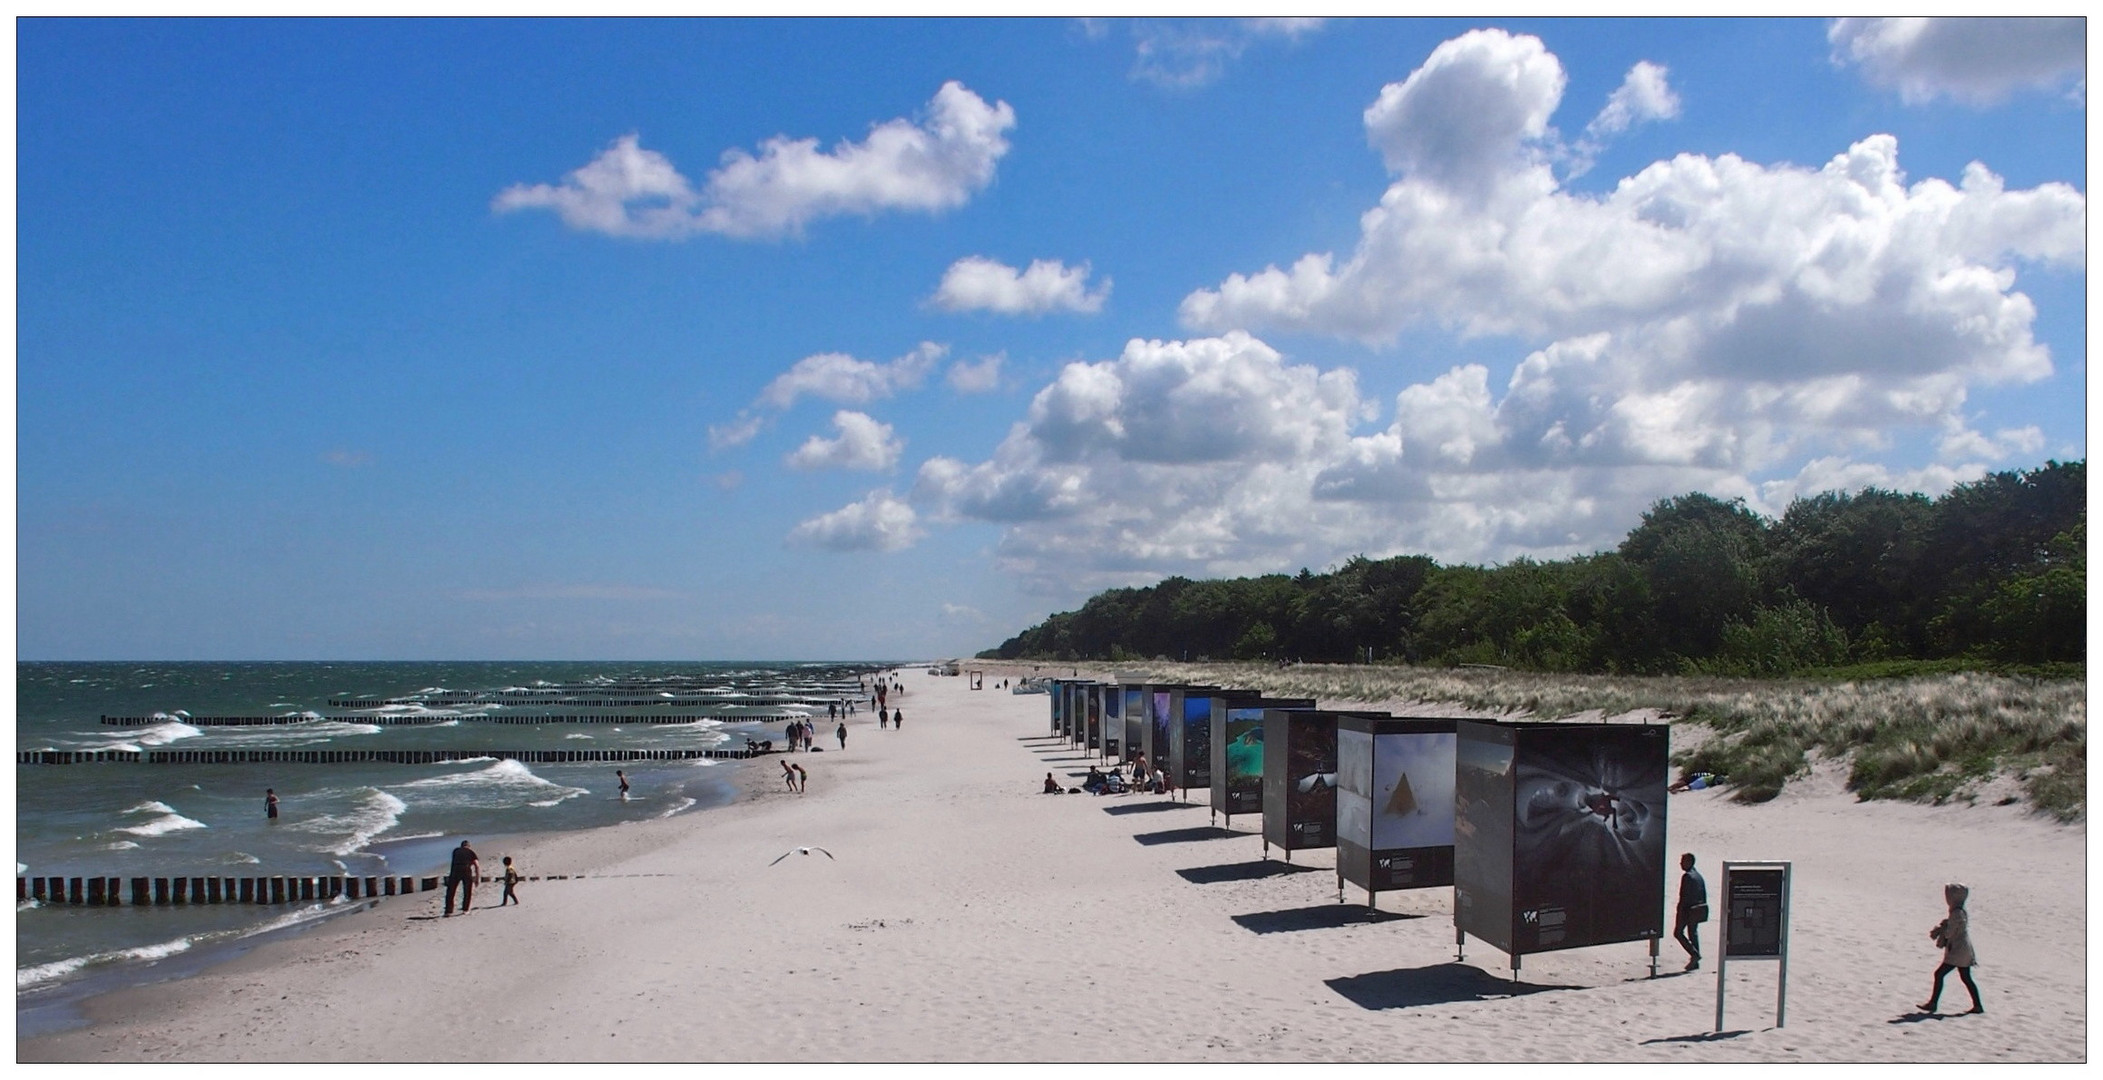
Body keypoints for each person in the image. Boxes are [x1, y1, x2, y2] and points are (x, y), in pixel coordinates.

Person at [1920, 883, 1983, 1014]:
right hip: (1963, 950)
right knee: (1966, 978)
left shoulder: (1956, 913)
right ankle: (1977, 1006)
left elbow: (1950, 933)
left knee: (1939, 974)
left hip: (1957, 951)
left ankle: (1933, 1003)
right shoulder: (1960, 910)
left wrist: (1942, 929)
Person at [1673, 853, 1708, 970]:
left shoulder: (1687, 876)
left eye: (1683, 861)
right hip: (1698, 908)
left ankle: (1694, 955)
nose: (1681, 864)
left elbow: (1684, 897)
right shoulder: (1698, 875)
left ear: (1689, 862)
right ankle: (1695, 961)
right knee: (1693, 933)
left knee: (1678, 933)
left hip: (1688, 909)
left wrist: (1680, 911)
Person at [443, 840, 479, 916]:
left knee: (451, 891)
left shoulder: (455, 851)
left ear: (461, 846)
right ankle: (465, 909)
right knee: (467, 890)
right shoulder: (471, 852)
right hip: (466, 870)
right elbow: (477, 865)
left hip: (455, 870)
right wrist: (477, 878)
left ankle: (448, 911)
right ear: (469, 846)